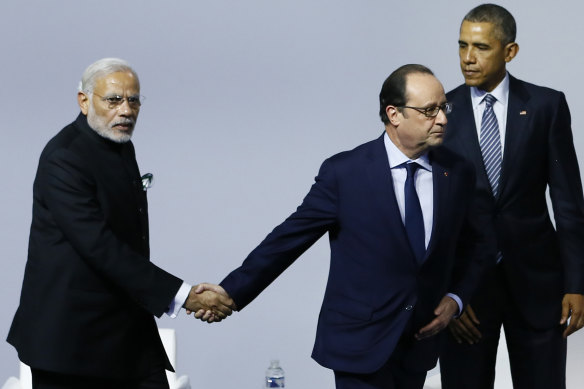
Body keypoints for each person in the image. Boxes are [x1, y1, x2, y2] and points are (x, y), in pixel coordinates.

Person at [196, 64, 492, 389]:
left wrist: (456, 298)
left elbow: (478, 244)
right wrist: (231, 292)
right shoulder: (345, 173)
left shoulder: (457, 172)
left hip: (418, 344)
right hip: (359, 344)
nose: (443, 119)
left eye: (443, 107)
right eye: (429, 110)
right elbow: (288, 239)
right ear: (394, 114)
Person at [6, 58, 234, 389]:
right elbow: (101, 247)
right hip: (70, 344)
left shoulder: (120, 145)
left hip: (128, 332)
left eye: (134, 100)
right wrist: (186, 296)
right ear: (84, 101)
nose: (126, 110)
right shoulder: (63, 158)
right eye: (113, 100)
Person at [439, 4, 584, 389]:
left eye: (481, 47)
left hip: (539, 286)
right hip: (466, 294)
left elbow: (569, 202)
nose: (468, 58)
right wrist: (447, 292)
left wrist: (577, 283)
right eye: (462, 45)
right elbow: (432, 213)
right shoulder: (441, 113)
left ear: (510, 51)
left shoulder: (546, 106)